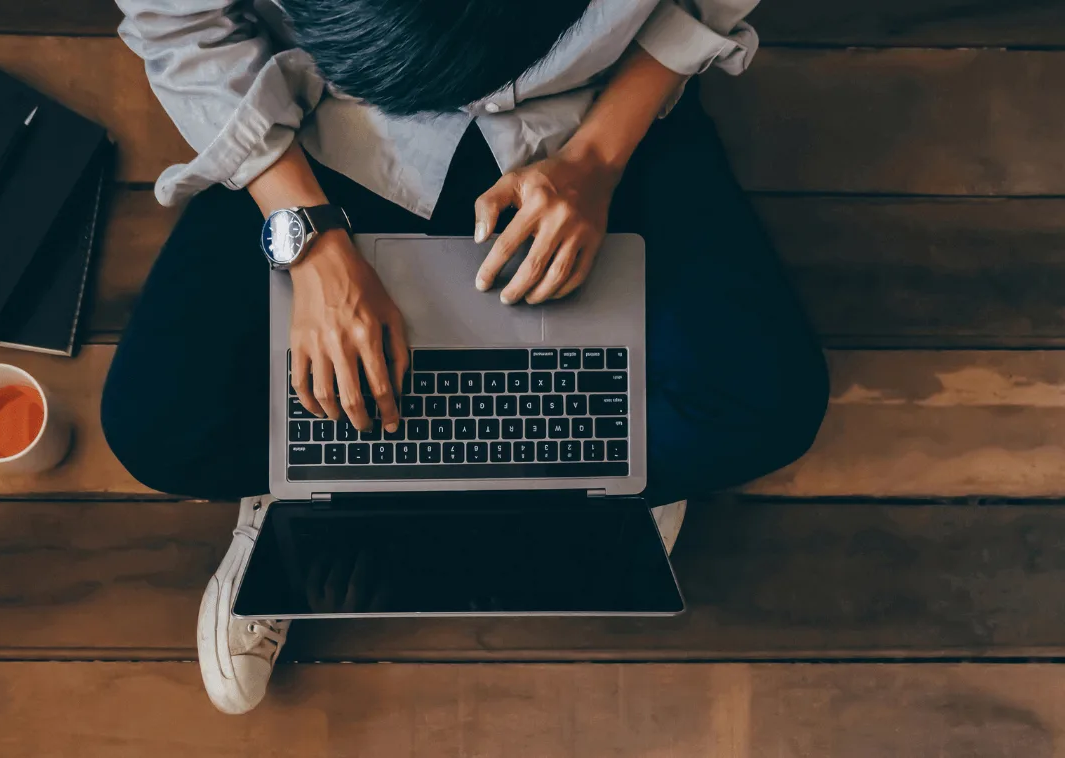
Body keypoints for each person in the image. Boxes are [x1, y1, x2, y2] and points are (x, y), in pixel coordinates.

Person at [103, 0, 829, 714]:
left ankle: (554, 472)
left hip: (595, 103)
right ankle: (321, 484)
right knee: (155, 431)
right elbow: (179, 20)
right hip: (323, 128)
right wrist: (311, 239)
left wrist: (598, 157)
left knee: (769, 403)